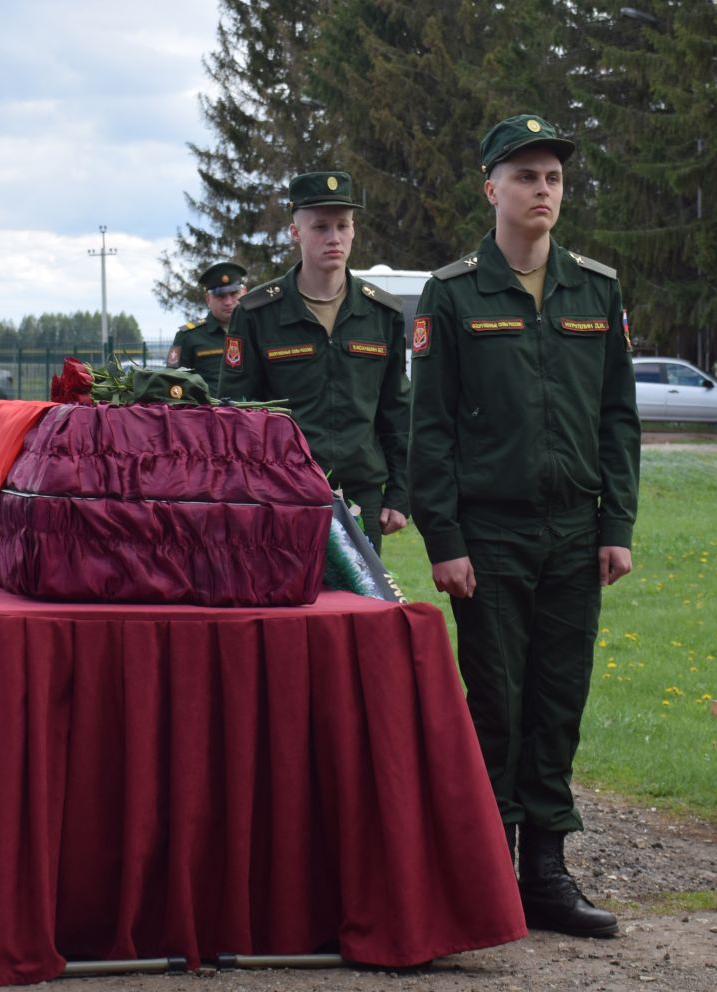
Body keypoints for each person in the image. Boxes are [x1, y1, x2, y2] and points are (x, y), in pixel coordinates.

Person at [409, 115, 640, 939]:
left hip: (576, 534)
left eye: (553, 178)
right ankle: (484, 870)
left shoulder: (595, 290)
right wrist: (445, 541)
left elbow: (618, 417)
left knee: (558, 700)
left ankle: (545, 870)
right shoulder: (453, 292)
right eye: (527, 177)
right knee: (497, 705)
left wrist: (617, 523)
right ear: (491, 188)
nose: (544, 191)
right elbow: (427, 428)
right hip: (492, 536)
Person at [218, 173, 410, 550]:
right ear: (295, 232)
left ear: (354, 231)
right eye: (320, 226)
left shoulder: (381, 312)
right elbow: (235, 414)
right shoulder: (258, 313)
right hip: (281, 495)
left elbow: (396, 411)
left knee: (359, 605)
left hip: (360, 495)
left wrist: (400, 493)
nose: (333, 237)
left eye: (343, 225)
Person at [166, 261, 247, 372]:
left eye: (233, 294)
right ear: (208, 300)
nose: (228, 302)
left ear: (244, 293)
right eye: (220, 296)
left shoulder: (259, 330)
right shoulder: (187, 337)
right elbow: (172, 379)